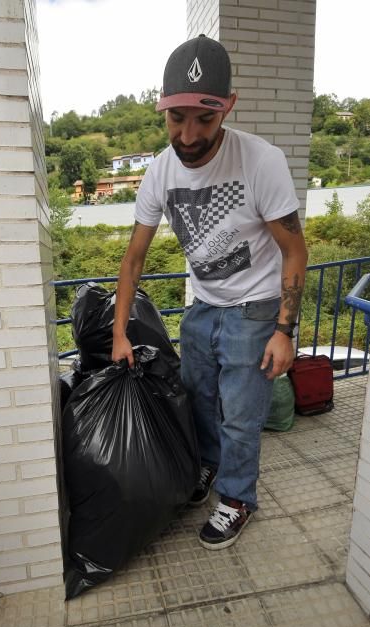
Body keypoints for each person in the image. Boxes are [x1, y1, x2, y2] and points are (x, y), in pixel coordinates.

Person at [111, 35, 308, 550]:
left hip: (256, 309)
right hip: (202, 307)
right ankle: (211, 469)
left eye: (205, 118)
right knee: (199, 404)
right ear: (163, 108)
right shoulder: (160, 170)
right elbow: (133, 260)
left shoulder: (260, 162)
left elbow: (294, 251)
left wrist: (284, 331)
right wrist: (118, 334)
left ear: (228, 106)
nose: (190, 134)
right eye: (178, 118)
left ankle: (238, 497)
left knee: (242, 419)